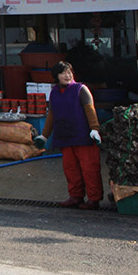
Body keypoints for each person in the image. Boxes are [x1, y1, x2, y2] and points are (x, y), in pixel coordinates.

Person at [34, 61, 104, 210]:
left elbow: (90, 110)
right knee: (70, 169)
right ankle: (75, 196)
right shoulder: (54, 93)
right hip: (65, 136)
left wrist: (94, 129)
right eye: (63, 73)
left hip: (84, 136)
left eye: (69, 72)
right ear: (56, 76)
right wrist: (44, 136)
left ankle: (94, 198)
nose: (67, 75)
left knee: (89, 168)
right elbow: (51, 115)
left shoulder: (81, 89)